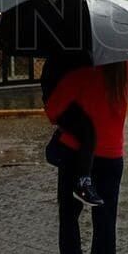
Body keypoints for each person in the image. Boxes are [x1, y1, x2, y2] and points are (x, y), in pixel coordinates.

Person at [43, 60, 128, 254]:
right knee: (106, 225)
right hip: (112, 156)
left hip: (76, 155)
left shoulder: (81, 71)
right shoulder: (126, 69)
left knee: (69, 216)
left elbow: (53, 109)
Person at [40, 53, 104, 206]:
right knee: (88, 132)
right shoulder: (67, 57)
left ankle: (82, 181)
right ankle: (83, 182)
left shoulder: (67, 54)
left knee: (87, 132)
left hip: (63, 101)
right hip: (62, 102)